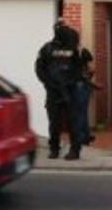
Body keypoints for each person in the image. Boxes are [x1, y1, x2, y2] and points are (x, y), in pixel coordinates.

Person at [36, 22, 84, 160]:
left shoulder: (73, 49)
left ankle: (75, 150)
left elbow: (78, 69)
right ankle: (54, 149)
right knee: (54, 122)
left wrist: (71, 82)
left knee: (72, 122)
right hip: (53, 91)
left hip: (69, 90)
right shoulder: (47, 49)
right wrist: (48, 83)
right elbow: (40, 68)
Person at [72, 44, 101, 148]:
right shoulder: (81, 54)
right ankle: (82, 137)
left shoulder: (72, 55)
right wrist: (94, 84)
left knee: (81, 113)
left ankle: (85, 136)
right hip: (82, 87)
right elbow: (88, 73)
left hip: (78, 88)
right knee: (81, 114)